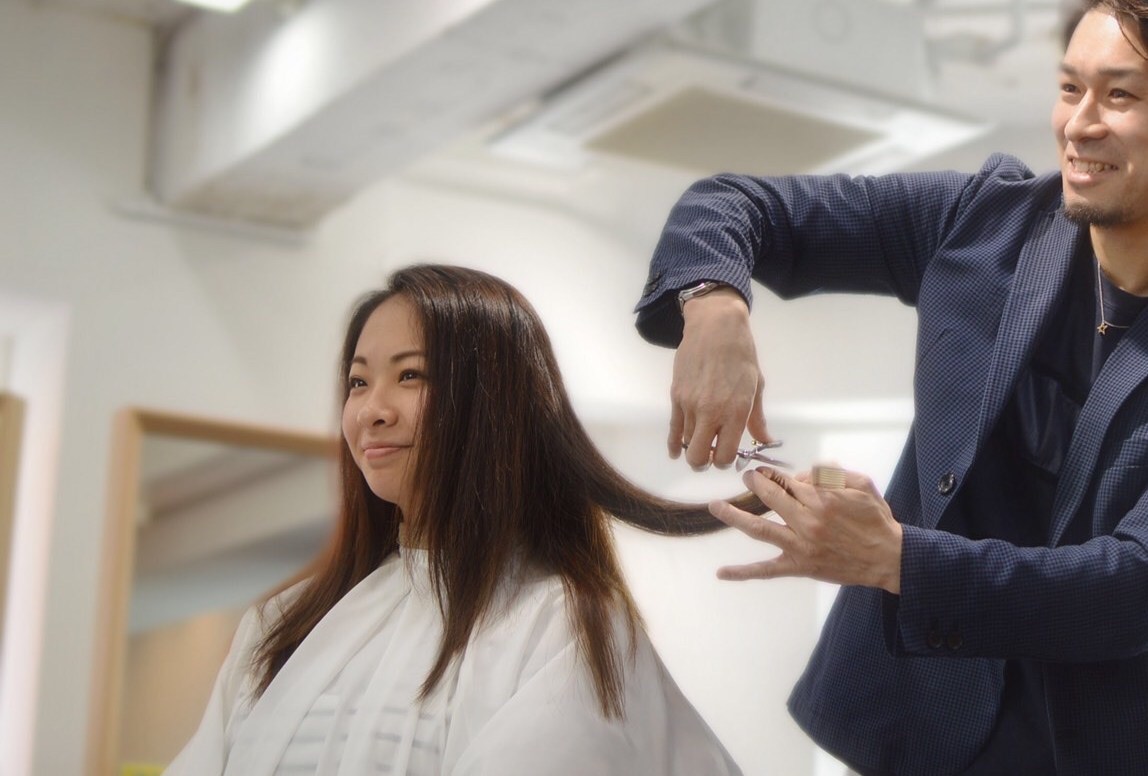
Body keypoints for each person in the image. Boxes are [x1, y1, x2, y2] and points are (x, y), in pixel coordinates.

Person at [633, 0, 1148, 774]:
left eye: (1119, 96)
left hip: (1104, 748)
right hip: (914, 718)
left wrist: (898, 558)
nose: (1078, 125)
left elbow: (1139, 586)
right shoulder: (977, 222)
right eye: (1069, 88)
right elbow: (733, 204)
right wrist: (714, 306)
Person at [171, 264, 753, 775]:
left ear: (493, 403)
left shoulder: (560, 624)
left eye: (410, 376)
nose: (371, 411)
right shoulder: (283, 624)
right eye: (358, 382)